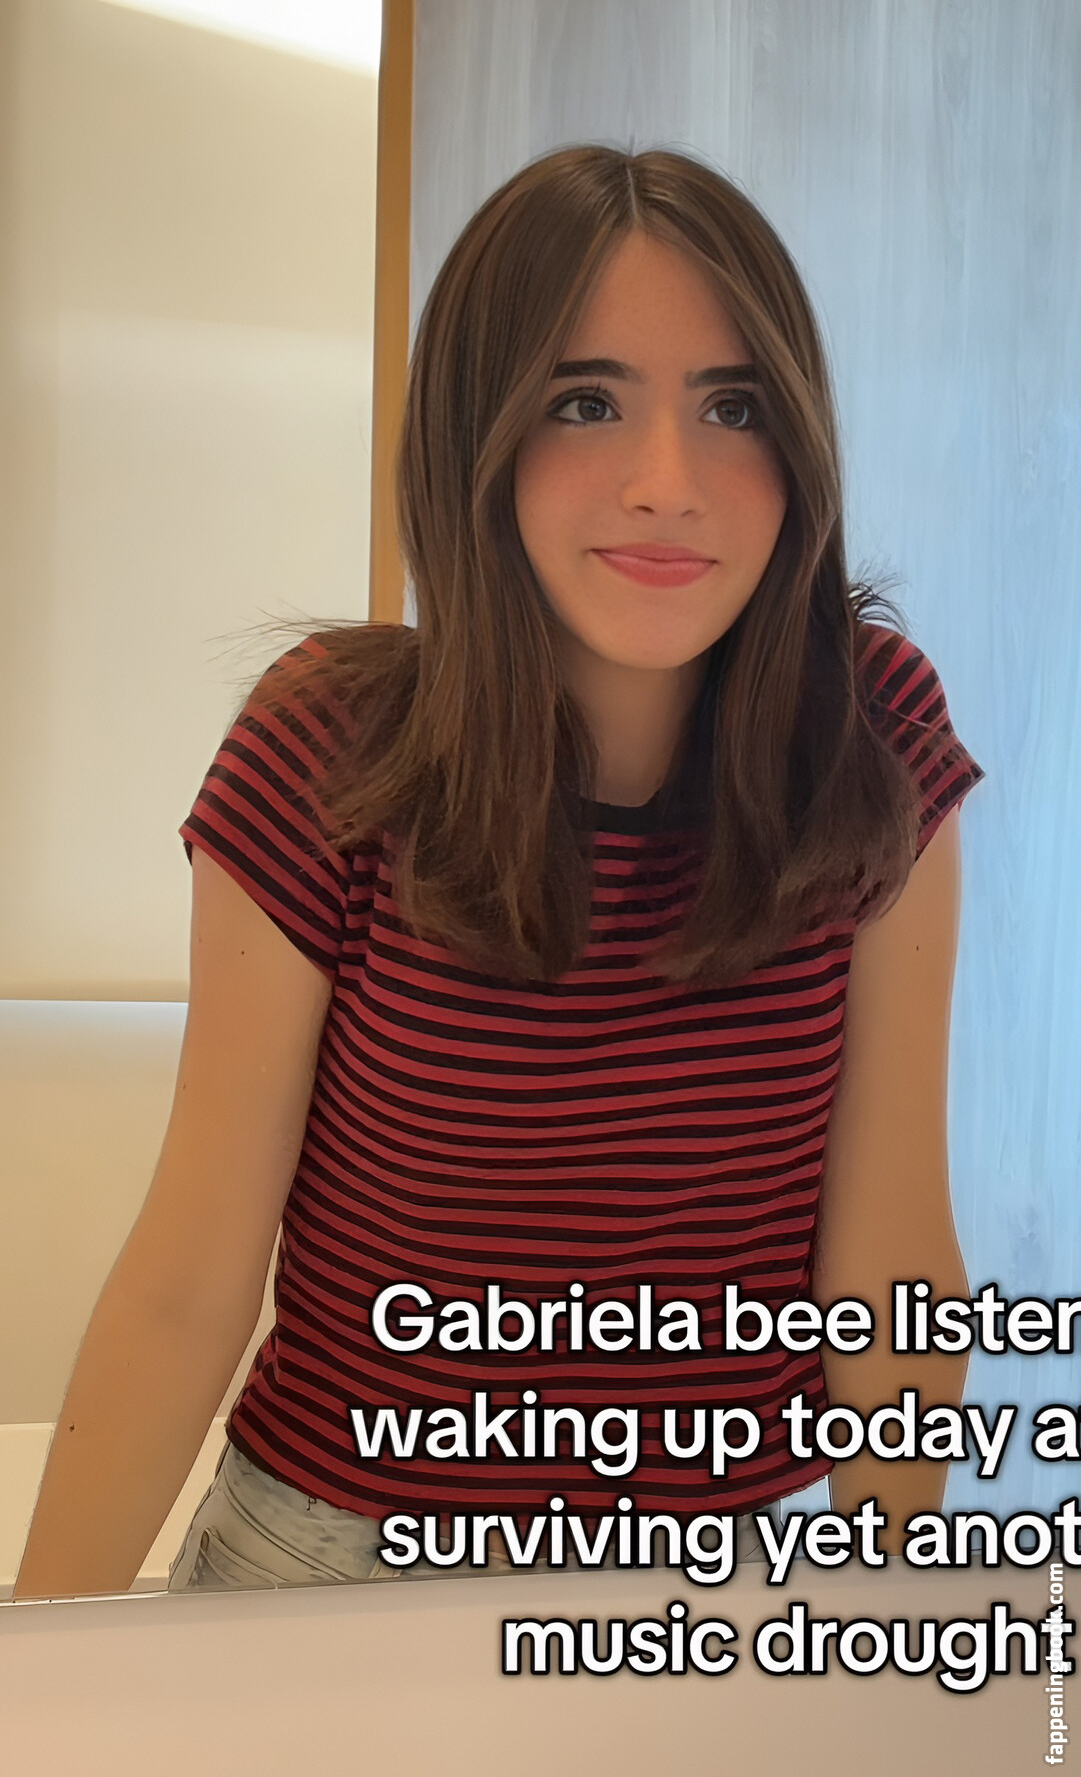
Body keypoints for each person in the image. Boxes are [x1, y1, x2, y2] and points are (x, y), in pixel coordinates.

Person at [14, 144, 984, 1601]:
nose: (668, 484)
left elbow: (891, 1246)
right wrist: (40, 1671)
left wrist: (903, 1624)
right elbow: (190, 1277)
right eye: (583, 402)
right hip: (337, 1564)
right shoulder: (331, 744)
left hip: (724, 1578)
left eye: (732, 408)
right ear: (479, 436)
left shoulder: (872, 731)